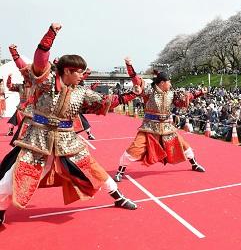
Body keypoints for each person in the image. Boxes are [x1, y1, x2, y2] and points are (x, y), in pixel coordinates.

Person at [0, 23, 139, 226]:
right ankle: (1, 209)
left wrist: (131, 95)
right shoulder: (45, 81)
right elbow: (40, 60)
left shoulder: (81, 92)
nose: (83, 75)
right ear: (67, 70)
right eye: (80, 72)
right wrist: (51, 34)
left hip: (68, 141)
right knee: (15, 175)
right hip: (38, 139)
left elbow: (106, 102)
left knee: (93, 169)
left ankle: (118, 196)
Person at [113, 58, 207, 182]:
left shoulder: (172, 93)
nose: (171, 84)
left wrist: (199, 93)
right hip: (149, 128)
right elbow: (136, 81)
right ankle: (120, 171)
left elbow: (183, 100)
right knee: (135, 149)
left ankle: (194, 164)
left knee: (184, 146)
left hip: (167, 128)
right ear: (162, 83)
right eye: (169, 82)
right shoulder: (149, 92)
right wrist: (129, 65)